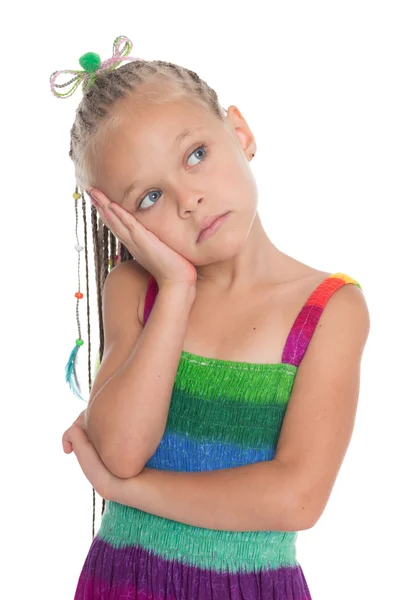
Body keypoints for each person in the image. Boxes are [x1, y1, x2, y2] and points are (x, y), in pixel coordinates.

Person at [53, 35, 370, 600]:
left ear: (240, 133)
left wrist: (127, 490)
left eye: (196, 154)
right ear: (121, 223)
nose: (188, 200)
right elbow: (123, 449)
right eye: (149, 198)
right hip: (123, 583)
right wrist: (176, 288)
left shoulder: (329, 310)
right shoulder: (135, 292)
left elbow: (296, 497)